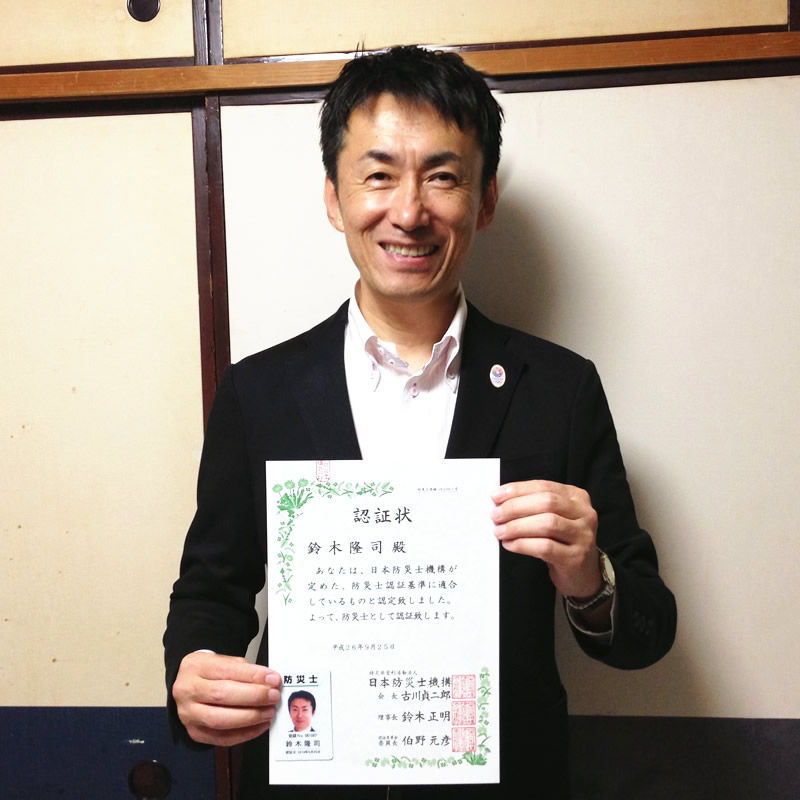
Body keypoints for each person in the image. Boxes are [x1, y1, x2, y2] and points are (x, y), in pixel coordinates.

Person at [164, 45, 676, 799]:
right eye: (378, 175)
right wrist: (196, 672)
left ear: (484, 200)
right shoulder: (259, 391)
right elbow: (212, 587)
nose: (408, 212)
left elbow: (645, 634)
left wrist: (587, 578)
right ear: (334, 198)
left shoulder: (559, 390)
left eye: (442, 176)